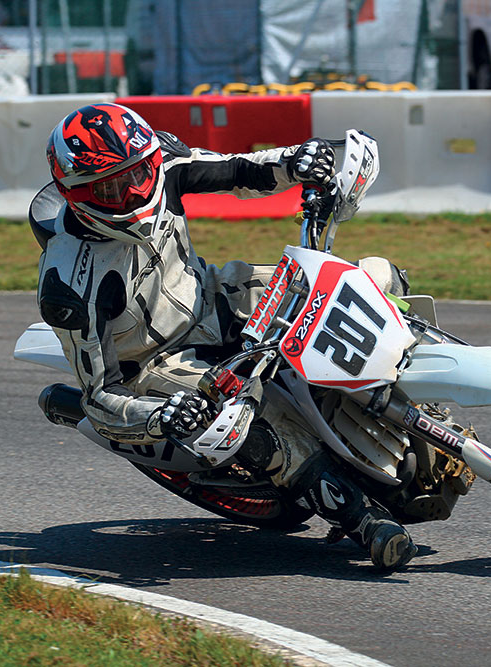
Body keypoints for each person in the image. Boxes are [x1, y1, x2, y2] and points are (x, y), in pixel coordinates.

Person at [35, 102, 417, 571]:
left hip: (215, 295)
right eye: (113, 186)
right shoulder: (69, 283)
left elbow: (235, 169)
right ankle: (363, 520)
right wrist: (159, 417)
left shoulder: (164, 164)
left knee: (366, 278)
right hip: (155, 362)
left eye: (141, 172)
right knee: (265, 418)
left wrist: (294, 163)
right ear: (77, 193)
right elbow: (99, 396)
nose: (136, 191)